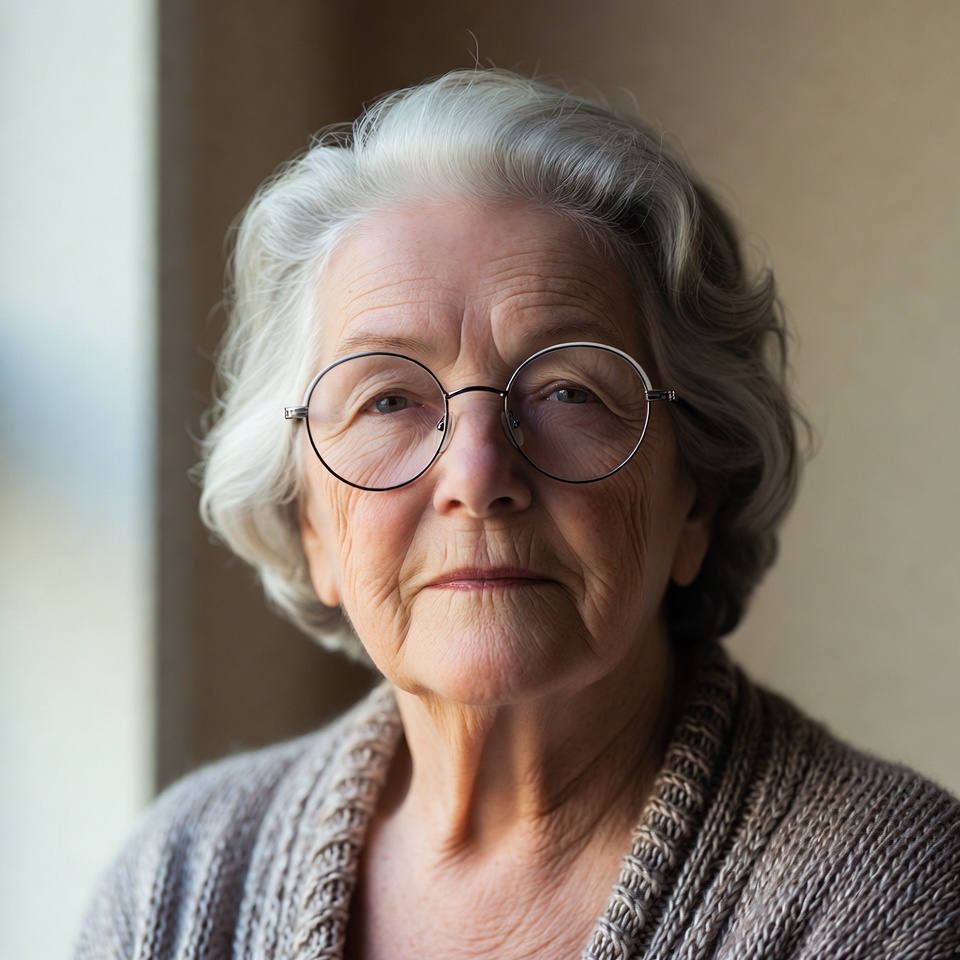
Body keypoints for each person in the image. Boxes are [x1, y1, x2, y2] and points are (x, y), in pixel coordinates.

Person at [74, 69, 960, 960]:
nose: (477, 472)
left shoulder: (887, 901)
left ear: (697, 493)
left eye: (570, 391)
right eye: (387, 401)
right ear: (310, 520)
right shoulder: (179, 885)